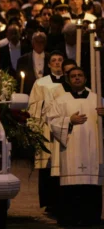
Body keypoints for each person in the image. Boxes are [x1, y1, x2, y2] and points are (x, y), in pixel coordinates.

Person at [47, 67, 104, 226]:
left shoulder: (97, 99)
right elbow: (52, 122)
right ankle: (69, 219)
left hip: (93, 150)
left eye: (80, 75)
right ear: (68, 80)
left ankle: (91, 219)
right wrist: (69, 121)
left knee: (91, 188)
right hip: (71, 150)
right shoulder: (61, 100)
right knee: (71, 189)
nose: (77, 78)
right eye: (73, 76)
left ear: (85, 79)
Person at [26, 51, 65, 213]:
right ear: (48, 65)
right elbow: (32, 106)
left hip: (66, 127)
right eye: (53, 61)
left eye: (60, 60)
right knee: (48, 166)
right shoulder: (40, 83)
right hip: (47, 128)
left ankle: (64, 201)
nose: (57, 63)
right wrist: (45, 104)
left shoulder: (70, 82)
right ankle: (50, 202)